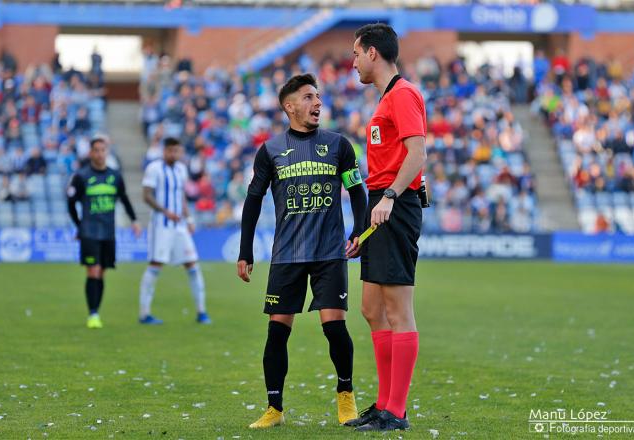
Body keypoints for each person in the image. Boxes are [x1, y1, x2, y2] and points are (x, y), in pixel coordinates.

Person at [237, 74, 367, 429]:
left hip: (329, 252)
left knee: (334, 327)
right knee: (277, 331)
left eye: (319, 97)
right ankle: (274, 409)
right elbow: (252, 200)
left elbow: (357, 190)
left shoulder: (339, 145)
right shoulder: (270, 150)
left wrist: (359, 229)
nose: (317, 103)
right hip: (287, 254)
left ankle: (346, 397)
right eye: (309, 97)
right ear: (289, 106)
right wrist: (245, 250)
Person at [346, 23, 427, 432]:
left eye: (356, 53)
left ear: (373, 53)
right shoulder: (387, 99)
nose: (353, 61)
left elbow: (418, 154)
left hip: (394, 204)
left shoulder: (404, 94)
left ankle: (396, 411)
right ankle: (384, 404)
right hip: (381, 205)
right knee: (371, 308)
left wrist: (392, 197)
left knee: (398, 310)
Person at [67, 137, 141, 329]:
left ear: (107, 152)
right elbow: (71, 203)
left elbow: (124, 199)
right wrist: (80, 225)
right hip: (89, 232)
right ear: (91, 153)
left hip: (108, 231)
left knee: (102, 273)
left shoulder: (115, 176)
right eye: (96, 150)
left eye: (103, 150)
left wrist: (134, 221)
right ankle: (93, 314)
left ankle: (96, 310)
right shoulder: (81, 176)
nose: (99, 154)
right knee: (93, 270)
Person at [138, 137, 211, 325]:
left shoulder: (181, 169)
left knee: (193, 266)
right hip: (161, 225)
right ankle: (144, 313)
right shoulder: (154, 168)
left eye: (177, 151)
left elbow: (181, 197)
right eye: (171, 151)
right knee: (155, 265)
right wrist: (165, 212)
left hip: (179, 226)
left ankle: (201, 312)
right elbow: (146, 195)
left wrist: (188, 219)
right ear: (164, 151)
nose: (174, 154)